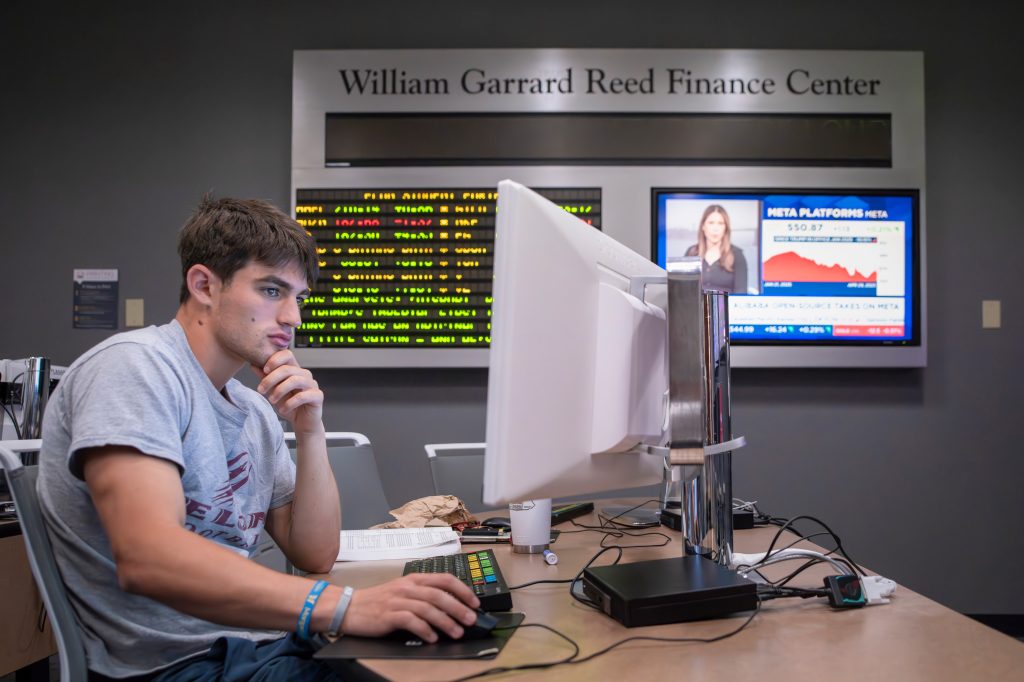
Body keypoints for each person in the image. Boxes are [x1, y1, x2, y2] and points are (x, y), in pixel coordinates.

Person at [37, 196, 480, 681]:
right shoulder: (136, 368)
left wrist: (310, 429)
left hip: (256, 645)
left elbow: (314, 553)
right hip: (181, 666)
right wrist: (345, 607)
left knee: (465, 650)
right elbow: (148, 558)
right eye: (272, 290)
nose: (293, 317)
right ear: (204, 284)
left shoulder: (252, 409)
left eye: (299, 298)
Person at [685, 204, 748, 293]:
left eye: (720, 223)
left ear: (725, 228)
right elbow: (683, 290)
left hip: (727, 306)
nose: (715, 228)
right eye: (711, 223)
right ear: (703, 226)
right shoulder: (691, 252)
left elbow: (741, 293)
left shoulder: (737, 255)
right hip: (694, 306)